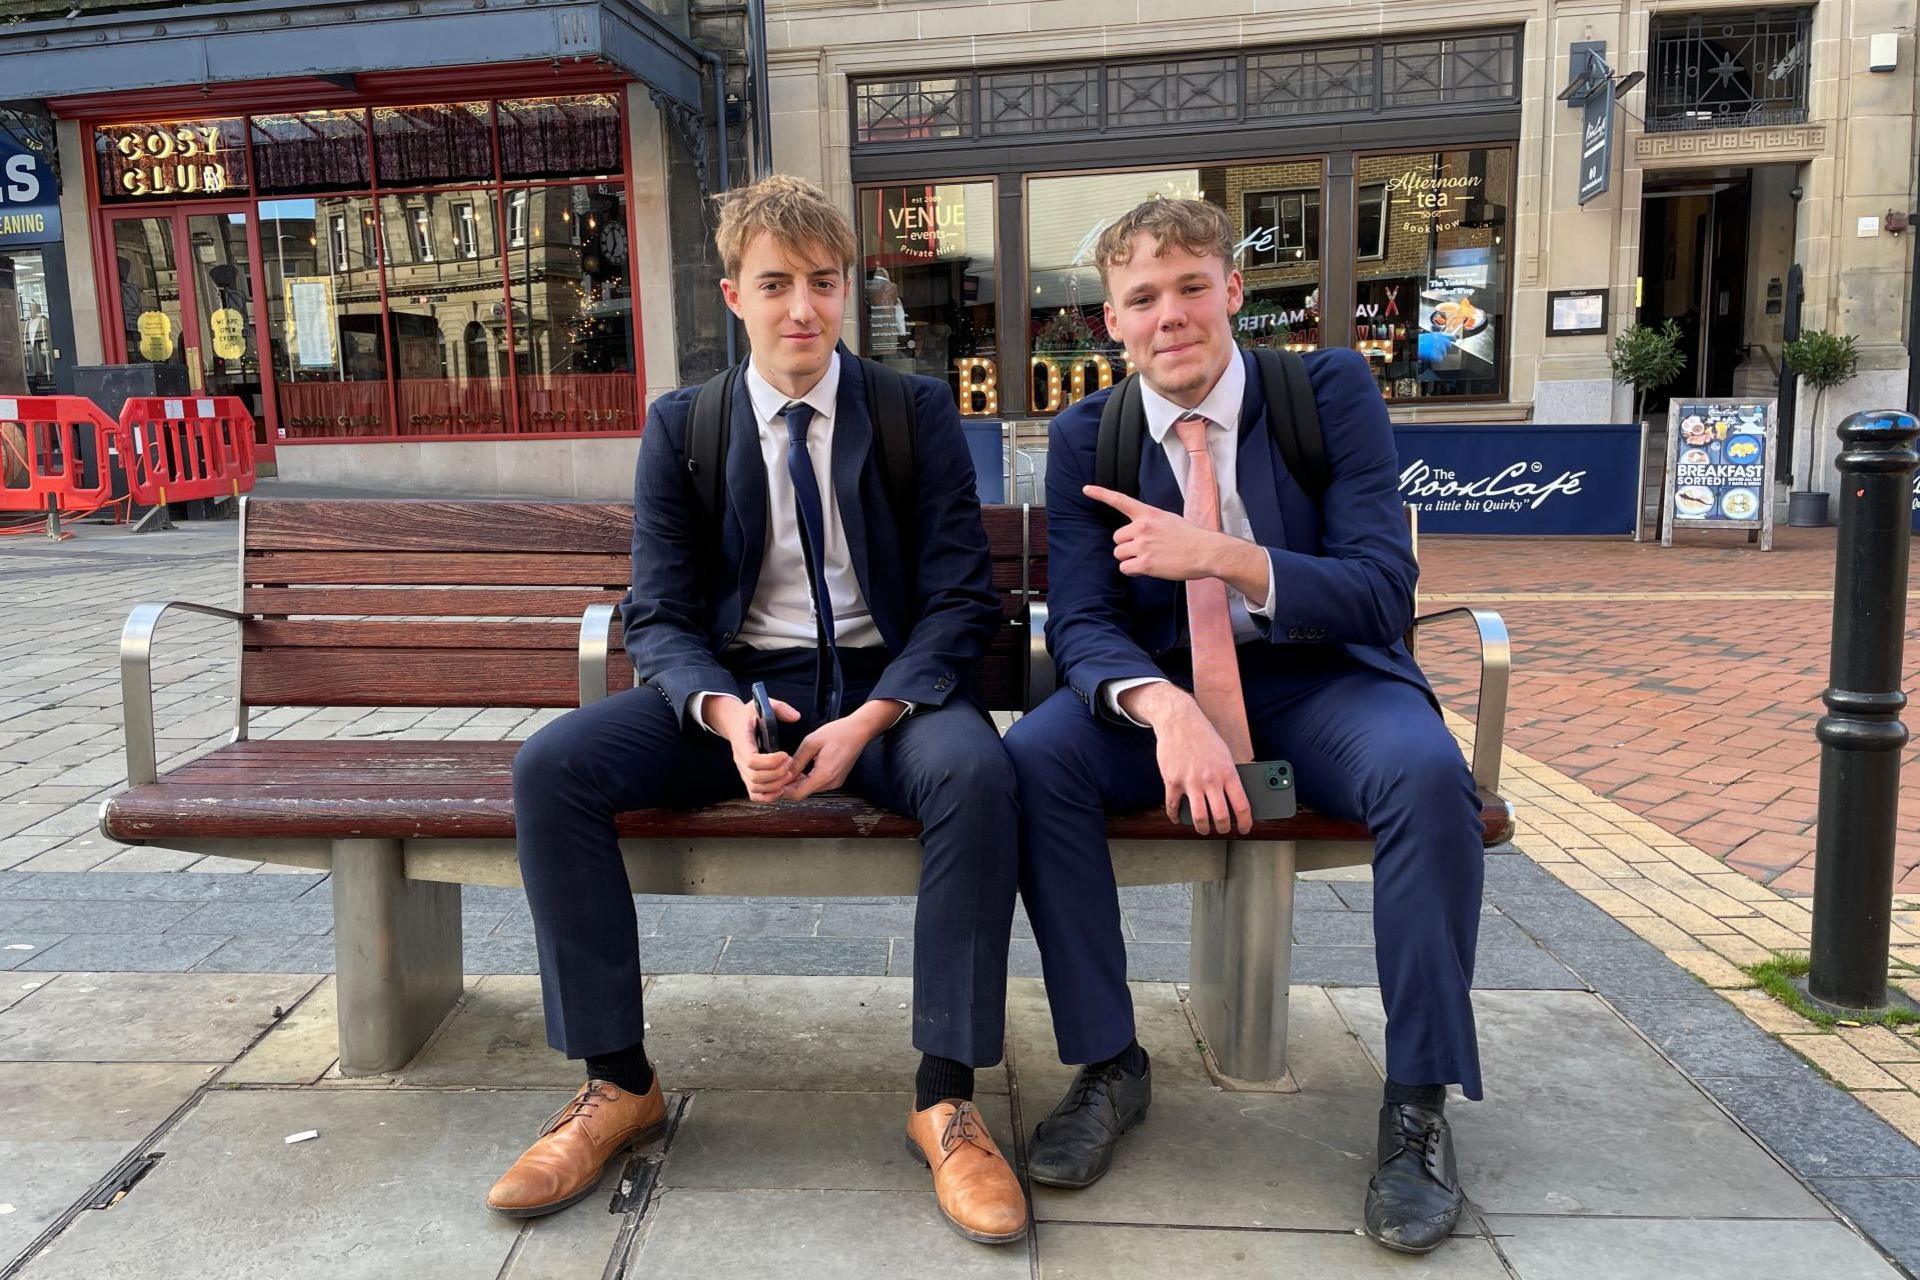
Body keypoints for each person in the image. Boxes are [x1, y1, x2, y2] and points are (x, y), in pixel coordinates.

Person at [492, 175, 1029, 1246]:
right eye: (775, 284)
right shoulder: (684, 425)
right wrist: (722, 714)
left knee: (978, 774)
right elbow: (658, 610)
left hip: (888, 692)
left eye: (822, 283)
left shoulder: (911, 410)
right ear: (734, 294)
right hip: (747, 691)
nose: (802, 309)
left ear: (848, 293)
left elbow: (964, 595)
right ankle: (618, 1081)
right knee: (553, 768)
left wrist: (874, 715)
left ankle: (945, 1096)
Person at [1003, 196, 1485, 1255]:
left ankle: (1416, 1104)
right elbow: (1080, 623)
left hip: (1322, 682)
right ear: (1112, 322)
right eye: (1142, 297)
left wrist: (1219, 554)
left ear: (1232, 291)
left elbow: (1380, 591)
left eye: (1189, 287)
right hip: (1168, 693)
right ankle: (1108, 1061)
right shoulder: (1092, 432)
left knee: (1424, 776)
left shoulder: (1326, 389)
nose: (1169, 314)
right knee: (1032, 761)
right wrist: (1161, 703)